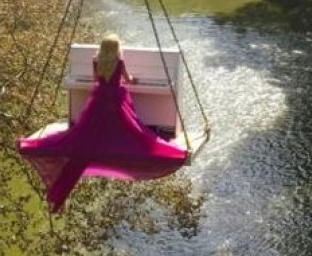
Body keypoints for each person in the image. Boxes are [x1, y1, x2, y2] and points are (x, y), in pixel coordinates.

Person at [17, 33, 187, 212]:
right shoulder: (119, 63)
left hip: (99, 96)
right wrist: (133, 80)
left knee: (89, 127)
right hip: (115, 97)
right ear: (116, 49)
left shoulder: (96, 61)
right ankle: (115, 139)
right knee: (131, 126)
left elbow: (94, 80)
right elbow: (128, 80)